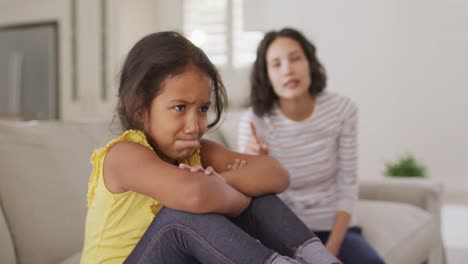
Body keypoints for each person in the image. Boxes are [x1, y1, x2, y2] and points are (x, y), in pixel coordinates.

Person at [80, 31, 340, 264]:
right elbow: (195, 195)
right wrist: (236, 197)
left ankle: (321, 260)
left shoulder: (198, 152)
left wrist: (219, 181)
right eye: (180, 108)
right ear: (139, 110)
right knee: (182, 215)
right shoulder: (124, 155)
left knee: (259, 197)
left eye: (203, 109)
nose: (194, 126)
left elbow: (276, 174)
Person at [238, 28, 385, 264]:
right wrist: (256, 165)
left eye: (295, 58)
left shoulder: (342, 110)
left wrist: (331, 249)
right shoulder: (254, 121)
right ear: (266, 76)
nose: (288, 69)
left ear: (310, 63)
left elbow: (347, 186)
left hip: (334, 228)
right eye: (276, 64)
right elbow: (249, 201)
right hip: (282, 232)